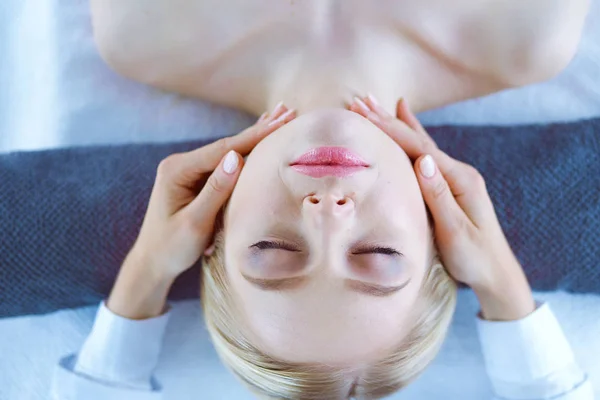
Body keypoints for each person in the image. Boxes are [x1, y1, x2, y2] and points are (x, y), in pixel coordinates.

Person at [53, 1, 593, 399]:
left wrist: (146, 270)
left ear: (213, 229)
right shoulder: (525, 33)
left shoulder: (144, 30)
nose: (327, 216)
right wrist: (502, 283)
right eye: (378, 256)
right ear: (440, 233)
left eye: (273, 251)